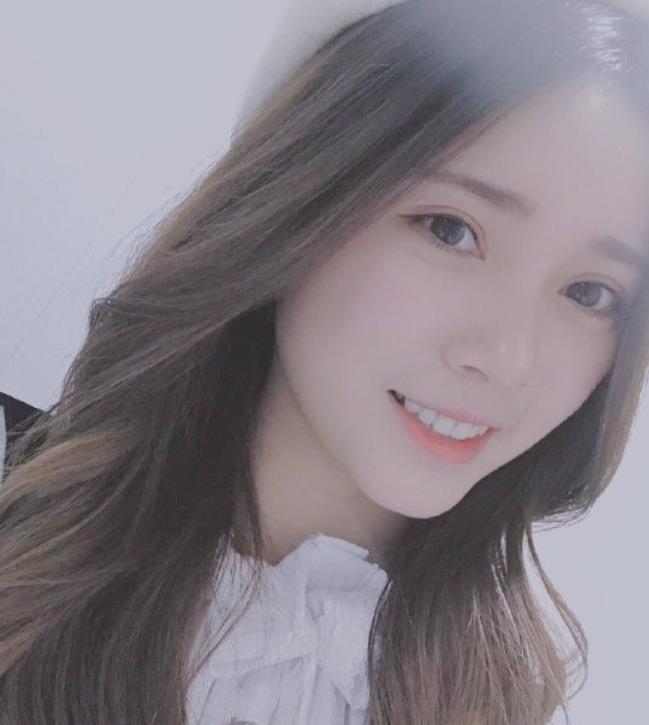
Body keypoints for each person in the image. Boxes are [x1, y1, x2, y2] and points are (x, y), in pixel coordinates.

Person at [1, 0, 649, 723]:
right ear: (304, 193)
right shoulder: (22, 558)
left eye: (590, 293)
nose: (508, 357)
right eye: (450, 229)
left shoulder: (504, 704)